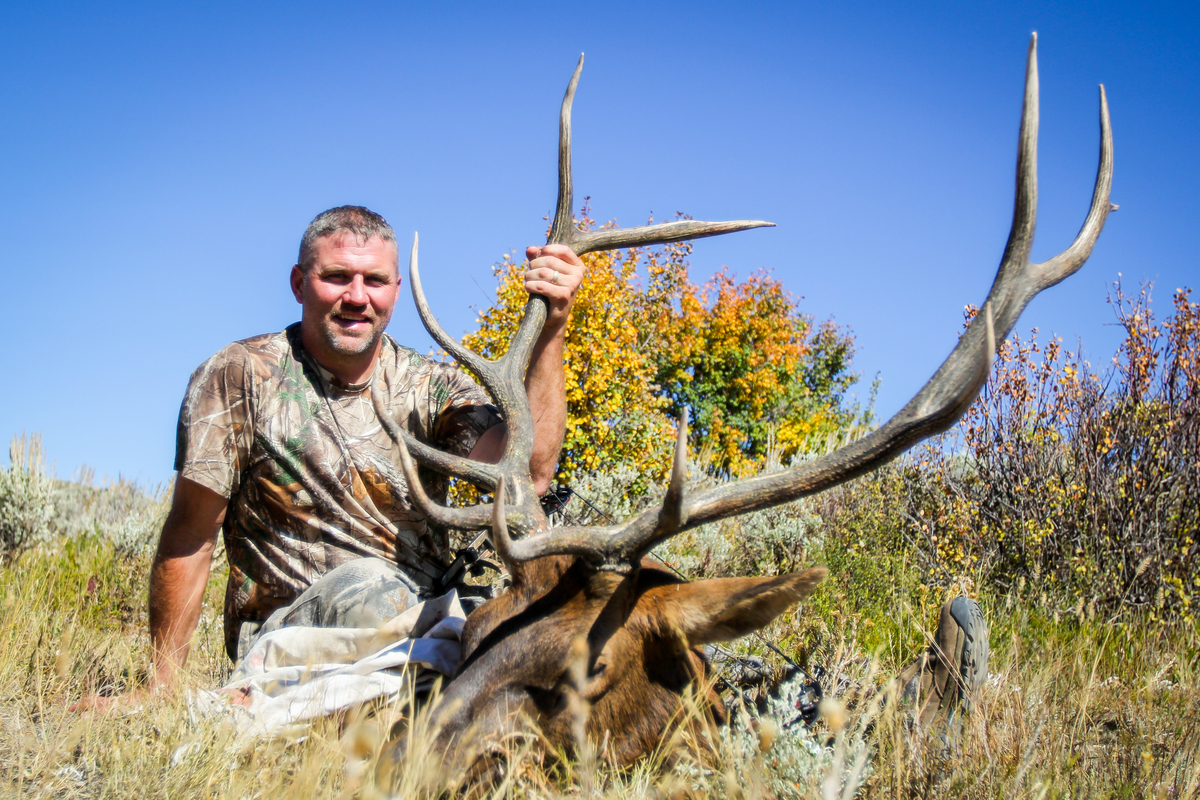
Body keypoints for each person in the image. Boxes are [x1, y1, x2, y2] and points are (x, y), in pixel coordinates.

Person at [148, 205, 584, 694]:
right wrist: (161, 686)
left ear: (396, 291)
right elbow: (191, 534)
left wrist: (553, 326)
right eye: (336, 277)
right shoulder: (240, 375)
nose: (357, 297)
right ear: (298, 283)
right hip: (286, 645)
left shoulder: (430, 386)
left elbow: (527, 473)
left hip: (422, 624)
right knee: (379, 594)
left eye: (375, 281)